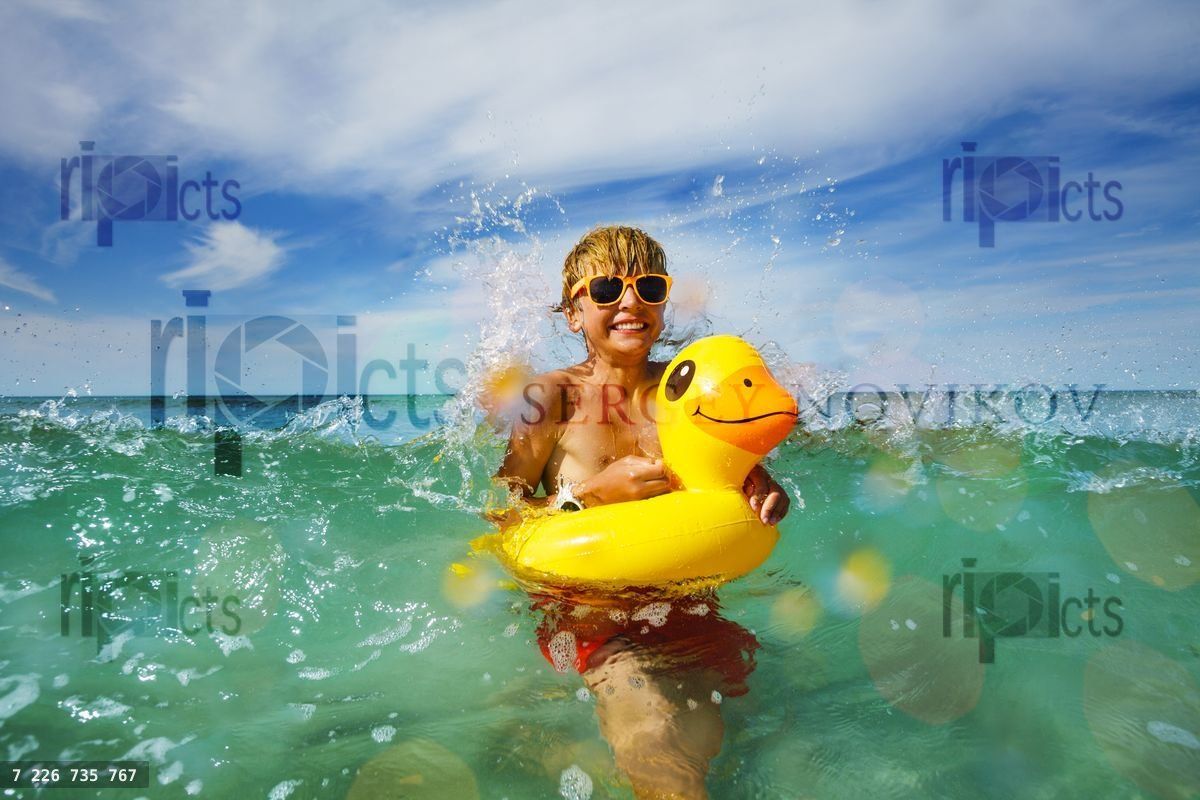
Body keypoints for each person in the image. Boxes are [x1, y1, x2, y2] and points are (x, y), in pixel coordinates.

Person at [494, 225, 791, 798]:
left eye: (648, 287)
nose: (629, 302)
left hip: (689, 606)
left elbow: (723, 471)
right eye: (606, 288)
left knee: (710, 753)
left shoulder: (687, 395)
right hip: (592, 619)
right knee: (663, 755)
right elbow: (502, 516)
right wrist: (590, 495)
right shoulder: (550, 398)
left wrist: (758, 482)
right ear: (574, 313)